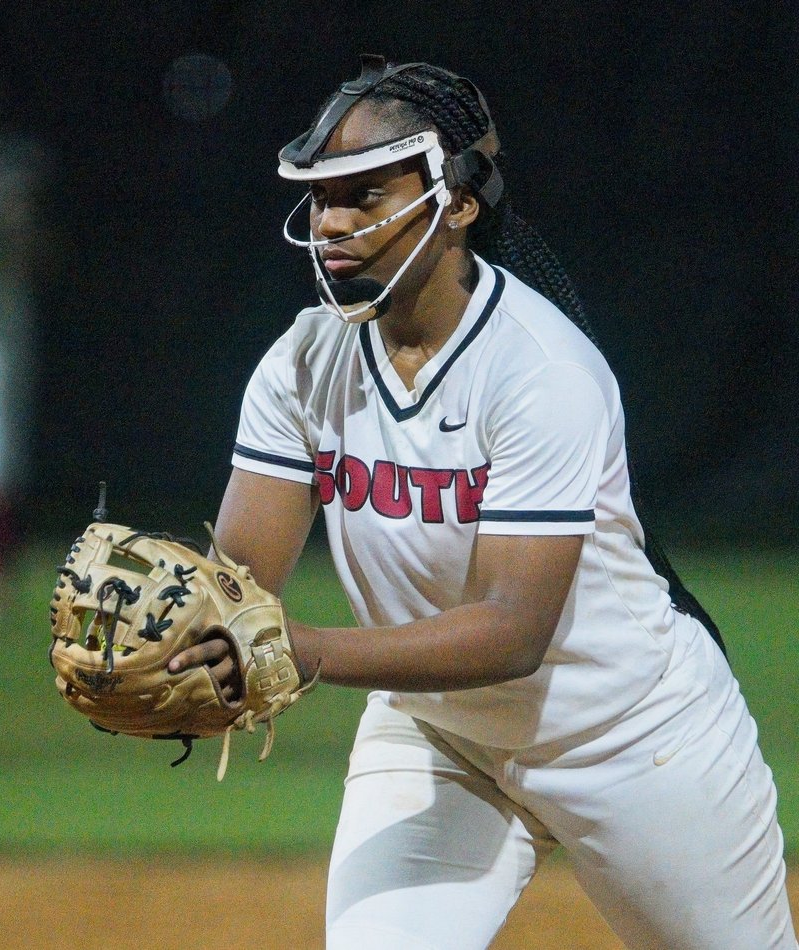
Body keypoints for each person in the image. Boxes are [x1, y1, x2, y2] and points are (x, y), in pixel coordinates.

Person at [169, 56, 797, 949]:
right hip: (436, 738)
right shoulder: (304, 361)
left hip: (628, 737)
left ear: (456, 203)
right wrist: (178, 632)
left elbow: (512, 630)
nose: (333, 221)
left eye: (365, 194)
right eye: (321, 197)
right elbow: (237, 578)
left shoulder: (541, 370)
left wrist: (301, 650)